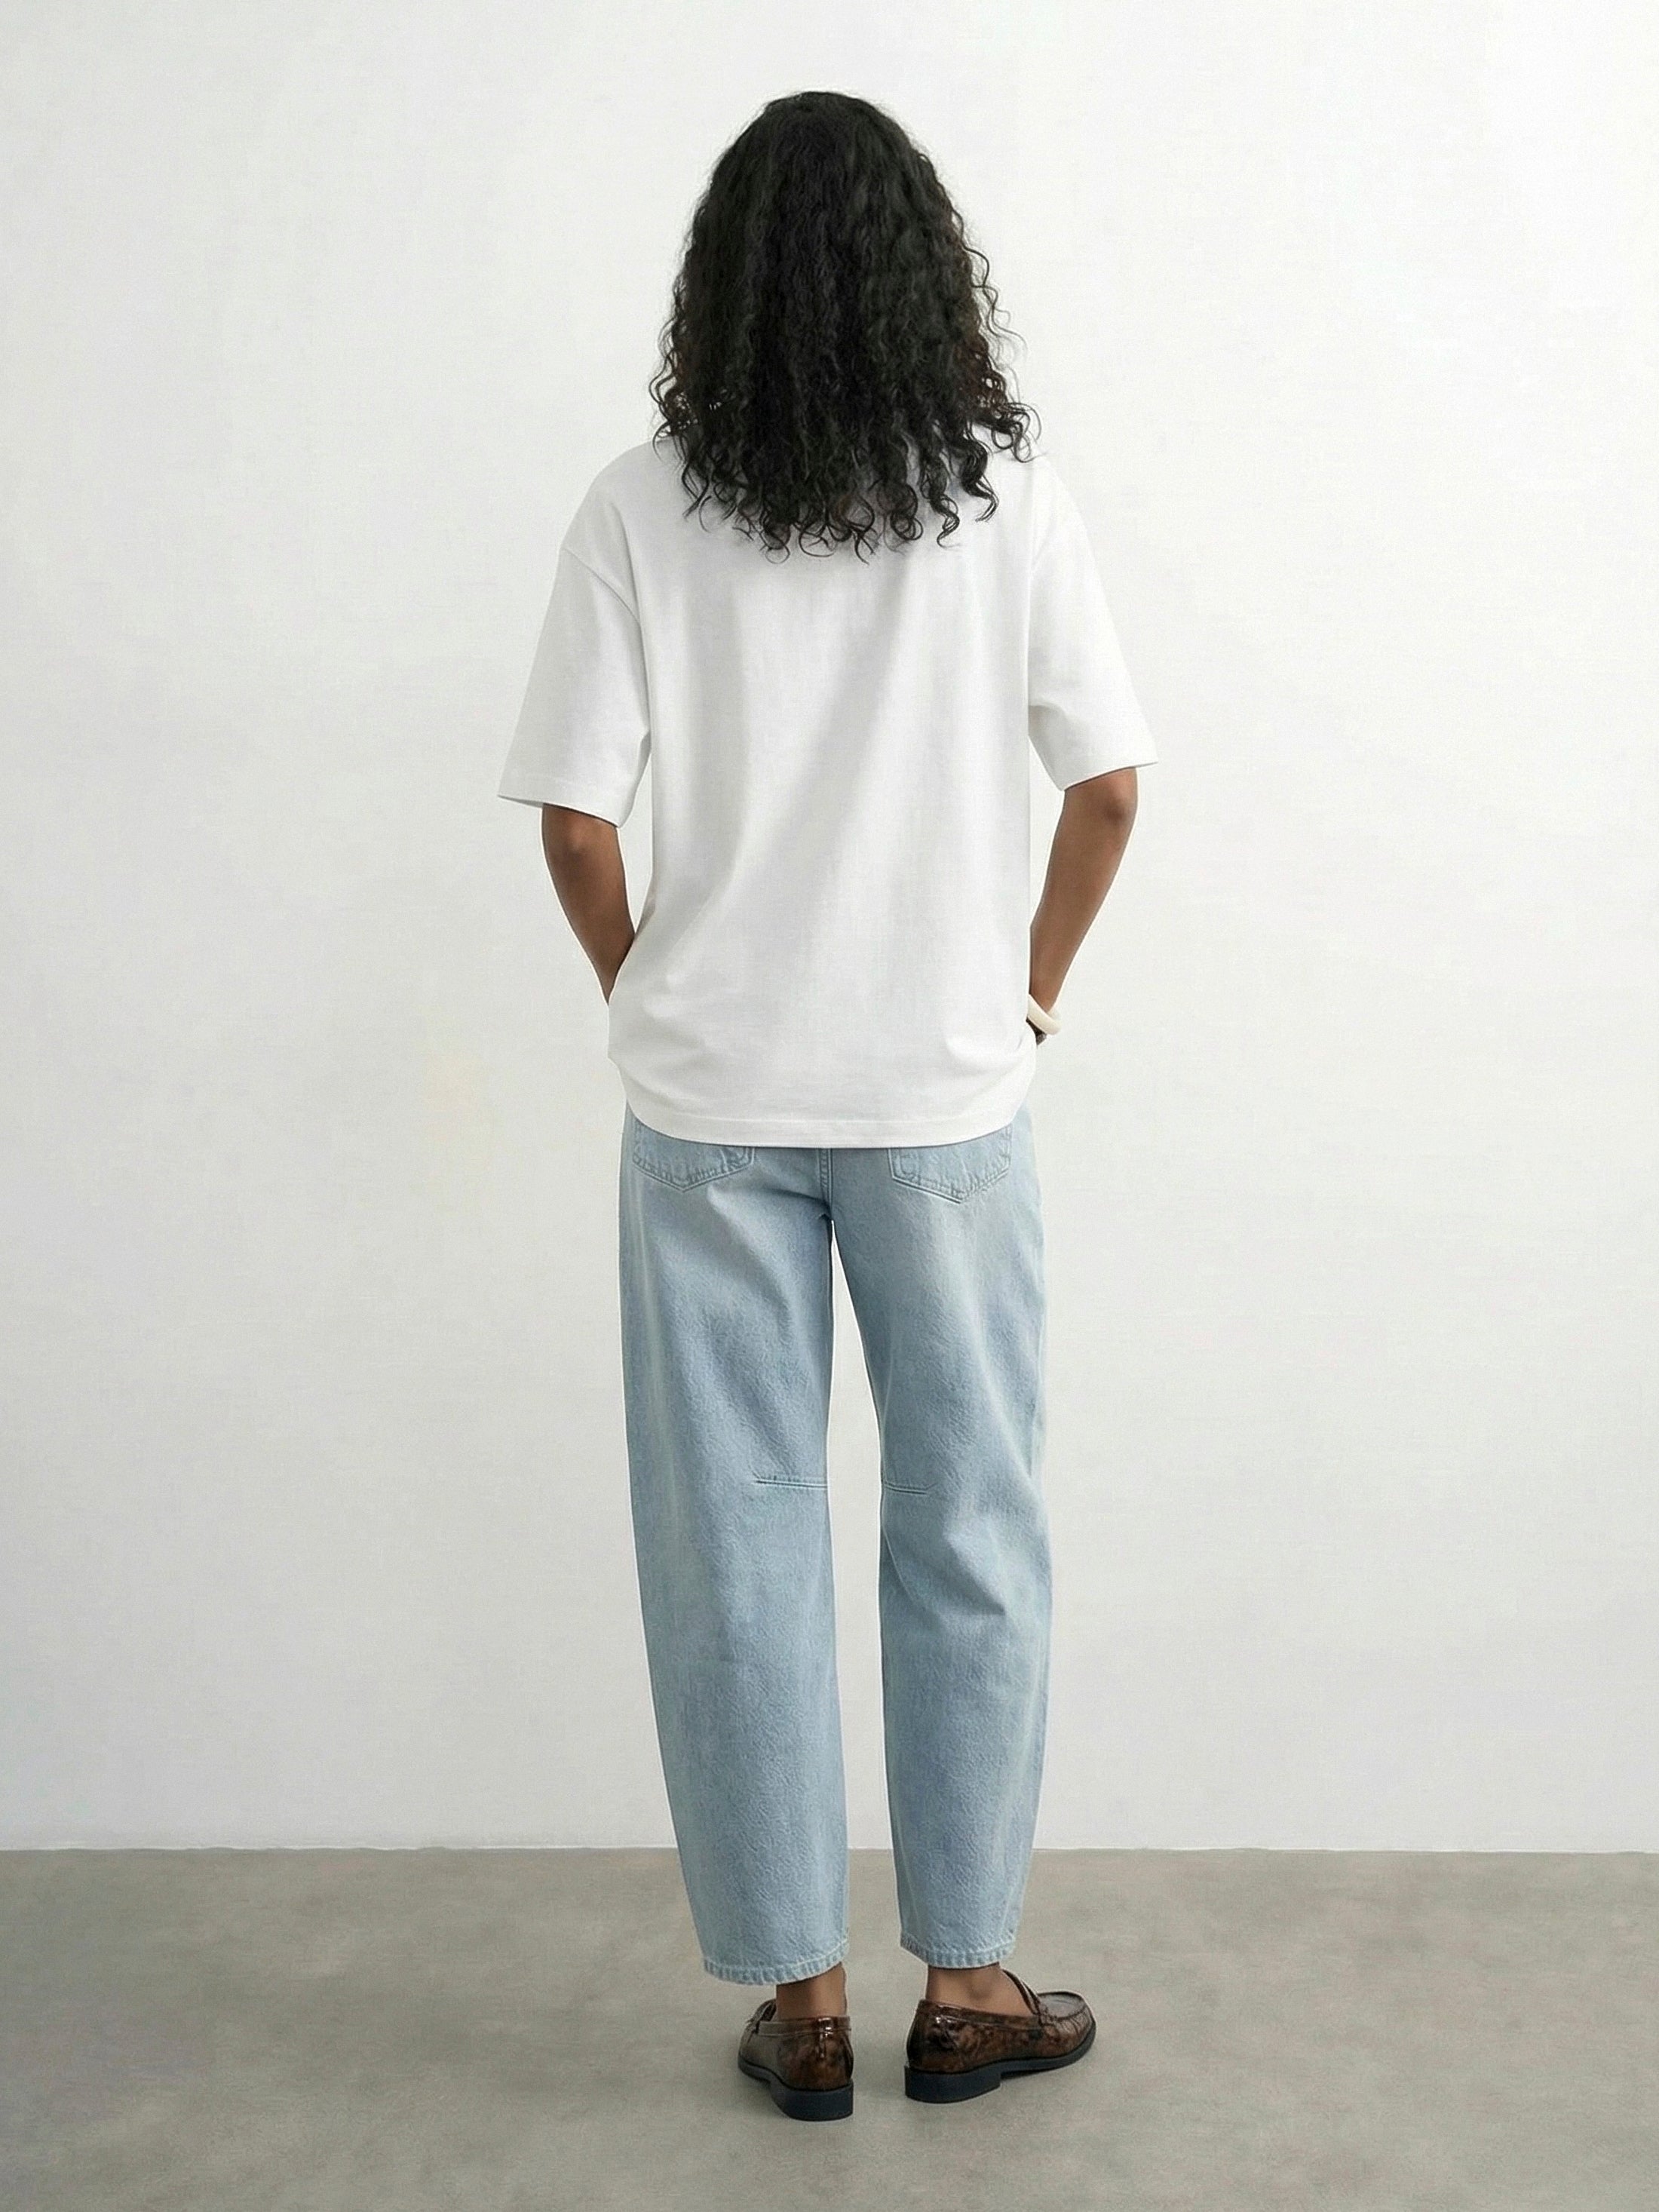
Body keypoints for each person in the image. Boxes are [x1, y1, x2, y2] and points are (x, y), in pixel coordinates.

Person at [498, 91, 1155, 2121]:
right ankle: (967, 1984)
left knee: (737, 1544)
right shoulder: (1007, 503)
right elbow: (1111, 788)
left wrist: (645, 992)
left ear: (724, 291)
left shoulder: (639, 508)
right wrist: (1027, 989)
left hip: (711, 1104)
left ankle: (803, 2003)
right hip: (943, 1101)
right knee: (971, 1523)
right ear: (925, 281)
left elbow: (577, 823)